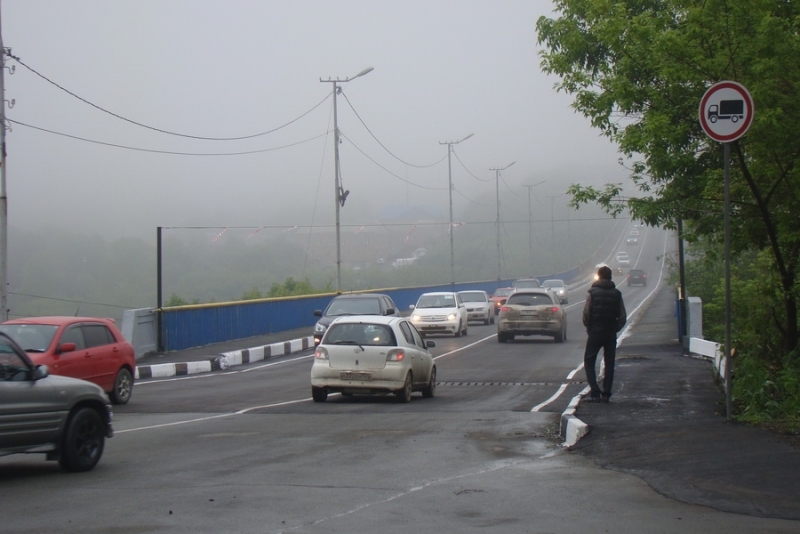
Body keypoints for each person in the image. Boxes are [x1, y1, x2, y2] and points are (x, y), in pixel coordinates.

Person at [582, 265, 627, 403]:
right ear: (610, 277)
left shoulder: (592, 292)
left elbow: (586, 313)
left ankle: (595, 392)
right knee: (609, 362)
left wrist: (589, 327)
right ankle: (606, 393)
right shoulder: (617, 294)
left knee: (589, 361)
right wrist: (615, 328)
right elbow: (622, 316)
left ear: (599, 276)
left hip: (596, 331)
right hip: (610, 333)